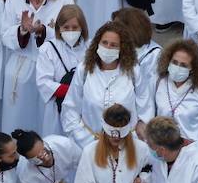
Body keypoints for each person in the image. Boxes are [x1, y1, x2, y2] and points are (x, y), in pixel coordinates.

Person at [0, 0, 72, 133]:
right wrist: (22, 30)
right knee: (16, 120)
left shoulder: (64, 0)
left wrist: (43, 31)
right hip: (20, 66)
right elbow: (4, 33)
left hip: (49, 69)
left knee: (44, 121)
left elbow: (70, 35)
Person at [60, 21, 153, 150]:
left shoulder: (133, 71)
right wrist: (84, 140)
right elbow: (71, 108)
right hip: (89, 144)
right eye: (104, 43)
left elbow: (146, 108)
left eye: (114, 45)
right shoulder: (84, 69)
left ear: (122, 49)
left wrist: (137, 135)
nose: (108, 47)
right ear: (97, 43)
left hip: (127, 146)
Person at [152, 38, 198, 157]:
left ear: (192, 68)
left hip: (191, 154)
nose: (177, 67)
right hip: (162, 151)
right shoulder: (158, 82)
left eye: (183, 65)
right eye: (174, 62)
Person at [33, 4, 87, 137]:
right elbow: (44, 82)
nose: (70, 31)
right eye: (66, 28)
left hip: (85, 108)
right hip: (56, 109)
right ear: (59, 28)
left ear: (82, 28)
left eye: (75, 27)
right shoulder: (48, 49)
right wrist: (72, 91)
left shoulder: (90, 47)